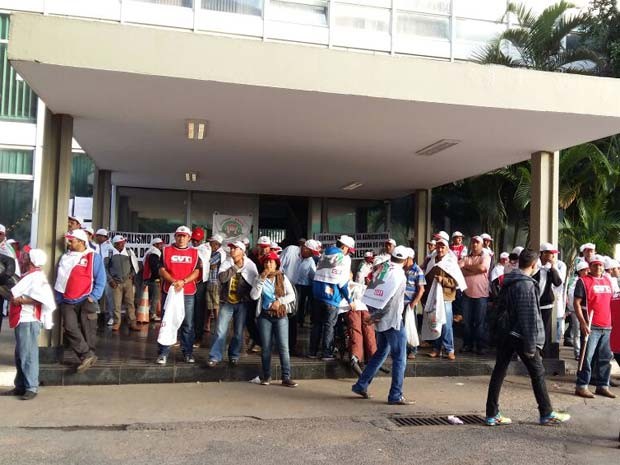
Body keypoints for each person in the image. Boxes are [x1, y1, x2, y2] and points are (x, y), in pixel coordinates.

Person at [485, 248, 571, 426]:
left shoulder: (509, 280)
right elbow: (528, 316)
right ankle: (546, 412)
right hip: (520, 334)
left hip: (506, 333)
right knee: (537, 372)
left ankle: (492, 414)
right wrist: (531, 345)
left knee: (499, 370)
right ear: (533, 265)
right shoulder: (526, 285)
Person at [351, 245, 411, 405]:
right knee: (400, 358)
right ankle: (395, 395)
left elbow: (371, 290)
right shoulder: (399, 275)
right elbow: (390, 302)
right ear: (405, 261)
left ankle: (361, 384)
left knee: (381, 352)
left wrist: (372, 314)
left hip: (380, 319)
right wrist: (374, 316)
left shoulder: (384, 268)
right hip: (392, 321)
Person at [3, 249, 56, 400]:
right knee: (20, 354)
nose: (22, 258)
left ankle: (31, 387)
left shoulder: (37, 277)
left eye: (26, 257)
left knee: (28, 355)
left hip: (28, 319)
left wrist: (21, 301)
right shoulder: (30, 276)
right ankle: (20, 385)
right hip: (22, 319)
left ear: (31, 260)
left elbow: (42, 299)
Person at [55, 229, 106, 373]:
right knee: (70, 328)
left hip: (86, 298)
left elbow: (101, 280)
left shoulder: (93, 257)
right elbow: (60, 279)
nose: (68, 243)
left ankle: (87, 358)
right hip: (67, 300)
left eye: (72, 241)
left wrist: (93, 297)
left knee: (88, 329)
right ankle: (87, 356)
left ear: (82, 242)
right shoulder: (65, 257)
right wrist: (59, 299)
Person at [250, 252, 298, 387]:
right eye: (266, 262)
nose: (268, 264)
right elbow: (254, 296)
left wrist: (279, 301)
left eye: (271, 262)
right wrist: (261, 280)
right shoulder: (258, 278)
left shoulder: (282, 277)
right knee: (266, 347)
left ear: (276, 264)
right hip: (265, 316)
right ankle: (267, 376)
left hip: (280, 315)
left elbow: (292, 295)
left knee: (283, 347)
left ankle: (286, 377)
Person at [208, 240, 258, 367]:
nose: (232, 250)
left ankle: (234, 355)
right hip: (227, 302)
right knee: (220, 330)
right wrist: (235, 267)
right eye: (231, 248)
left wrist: (247, 298)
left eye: (235, 248)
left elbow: (255, 284)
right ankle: (215, 356)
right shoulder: (227, 262)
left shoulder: (250, 265)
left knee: (238, 332)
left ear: (242, 251)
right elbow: (222, 278)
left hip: (242, 303)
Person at [156, 226, 201, 365]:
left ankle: (187, 352)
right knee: (167, 322)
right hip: (169, 291)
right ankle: (163, 353)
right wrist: (174, 281)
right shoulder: (166, 250)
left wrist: (184, 281)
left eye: (184, 236)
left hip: (187, 292)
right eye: (179, 236)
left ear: (189, 238)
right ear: (175, 236)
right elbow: (161, 270)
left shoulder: (195, 252)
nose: (181, 238)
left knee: (187, 324)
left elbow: (197, 271)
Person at [573, 255, 616, 399]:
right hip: (591, 326)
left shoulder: (608, 281)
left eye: (601, 265)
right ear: (590, 266)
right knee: (587, 358)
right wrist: (583, 322)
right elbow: (576, 303)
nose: (598, 267)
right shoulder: (583, 281)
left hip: (607, 325)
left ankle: (602, 386)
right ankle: (582, 385)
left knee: (605, 358)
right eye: (595, 265)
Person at [309, 235, 355, 360]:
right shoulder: (344, 259)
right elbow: (343, 283)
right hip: (331, 297)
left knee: (317, 323)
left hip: (317, 293)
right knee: (329, 325)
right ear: (344, 247)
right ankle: (326, 353)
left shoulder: (325, 253)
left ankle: (312, 351)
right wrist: (350, 300)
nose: (348, 253)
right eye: (349, 250)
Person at [424, 238, 467, 360]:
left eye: (443, 247)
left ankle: (449, 349)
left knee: (446, 324)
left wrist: (443, 280)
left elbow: (456, 282)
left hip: (446, 297)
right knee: (435, 322)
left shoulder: (451, 262)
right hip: (433, 297)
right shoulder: (432, 260)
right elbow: (427, 278)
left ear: (447, 249)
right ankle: (436, 348)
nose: (440, 249)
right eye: (438, 247)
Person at [459, 236, 491, 355]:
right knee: (466, 322)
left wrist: (466, 268)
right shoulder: (466, 257)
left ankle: (481, 346)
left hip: (481, 294)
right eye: (473, 242)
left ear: (482, 245)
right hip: (467, 294)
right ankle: (468, 344)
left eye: (477, 242)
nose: (474, 244)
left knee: (480, 322)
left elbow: (482, 268)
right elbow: (458, 269)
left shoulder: (485, 256)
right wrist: (474, 269)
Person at [532, 242, 563, 355]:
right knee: (533, 327)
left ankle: (544, 352)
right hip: (534, 303)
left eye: (553, 254)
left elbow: (557, 282)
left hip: (546, 304)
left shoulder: (551, 269)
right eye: (550, 253)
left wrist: (552, 268)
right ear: (543, 254)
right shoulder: (535, 265)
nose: (552, 256)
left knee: (546, 329)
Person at [105, 235, 140, 332]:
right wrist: (110, 280)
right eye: (120, 243)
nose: (122, 244)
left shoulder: (129, 252)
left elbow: (135, 265)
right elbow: (105, 268)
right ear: (115, 244)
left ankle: (132, 323)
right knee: (116, 304)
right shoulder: (110, 253)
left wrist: (132, 275)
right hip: (115, 282)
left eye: (123, 242)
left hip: (127, 282)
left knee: (130, 303)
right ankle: (117, 323)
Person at [190, 227, 211, 347]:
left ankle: (198, 337)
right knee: (188, 311)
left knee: (198, 310)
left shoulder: (205, 248)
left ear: (202, 239)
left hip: (200, 283)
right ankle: (186, 336)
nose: (195, 242)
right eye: (193, 239)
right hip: (189, 282)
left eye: (197, 240)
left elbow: (200, 262)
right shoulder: (190, 248)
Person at [403, 247, 425, 360]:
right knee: (402, 327)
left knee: (412, 326)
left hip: (410, 304)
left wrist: (413, 303)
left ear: (408, 258)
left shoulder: (417, 270)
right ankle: (404, 349)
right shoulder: (402, 269)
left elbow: (421, 290)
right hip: (400, 303)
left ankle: (413, 349)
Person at [566, 260, 590, 360]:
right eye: (584, 270)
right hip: (576, 311)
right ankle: (578, 353)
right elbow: (572, 297)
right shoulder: (575, 281)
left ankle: (586, 353)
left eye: (587, 270)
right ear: (579, 271)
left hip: (586, 311)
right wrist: (572, 310)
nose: (586, 272)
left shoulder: (589, 280)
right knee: (577, 333)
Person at [0, 224, 19, 331]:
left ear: (4, 235)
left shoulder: (6, 249)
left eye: (0, 234)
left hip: (3, 286)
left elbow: (10, 270)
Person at [94, 229, 115, 326]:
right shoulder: (96, 246)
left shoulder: (110, 247)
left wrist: (111, 277)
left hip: (107, 275)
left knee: (109, 297)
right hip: (97, 273)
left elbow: (111, 263)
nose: (96, 237)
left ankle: (112, 317)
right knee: (95, 296)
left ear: (104, 237)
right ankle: (95, 317)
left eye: (98, 235)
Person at [206, 234, 225, 333]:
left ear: (217, 244)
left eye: (212, 243)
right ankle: (207, 326)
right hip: (208, 281)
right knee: (209, 306)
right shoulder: (210, 253)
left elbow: (207, 263)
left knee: (216, 305)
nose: (209, 244)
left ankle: (218, 327)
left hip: (215, 282)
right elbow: (207, 264)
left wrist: (208, 264)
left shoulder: (218, 254)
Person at [143, 238, 164, 322]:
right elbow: (155, 268)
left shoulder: (150, 252)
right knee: (155, 297)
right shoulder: (154, 253)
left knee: (151, 297)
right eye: (159, 244)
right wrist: (158, 277)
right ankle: (152, 314)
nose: (161, 246)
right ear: (154, 245)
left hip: (148, 278)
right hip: (153, 278)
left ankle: (150, 313)